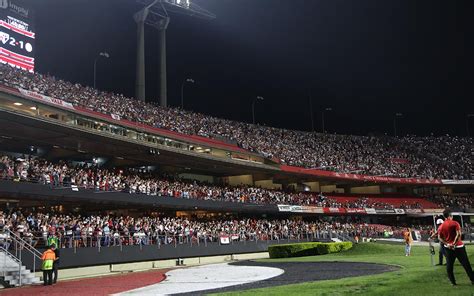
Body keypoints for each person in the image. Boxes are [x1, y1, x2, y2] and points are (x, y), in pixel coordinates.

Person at [438, 209, 474, 286]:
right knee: (466, 265)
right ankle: (472, 280)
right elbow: (458, 234)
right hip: (459, 247)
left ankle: (453, 282)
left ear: (444, 216)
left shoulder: (441, 226)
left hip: (448, 248)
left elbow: (439, 238)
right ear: (451, 215)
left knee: (449, 266)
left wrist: (447, 244)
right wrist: (454, 243)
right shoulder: (455, 223)